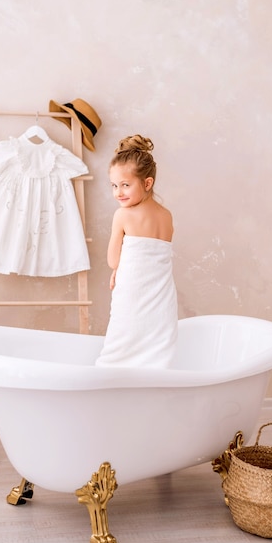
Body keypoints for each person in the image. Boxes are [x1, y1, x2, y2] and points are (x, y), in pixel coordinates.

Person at [95, 134, 178, 368]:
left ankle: (111, 384)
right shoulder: (166, 215)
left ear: (147, 183)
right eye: (114, 185)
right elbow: (154, 257)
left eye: (125, 185)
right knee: (156, 348)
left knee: (123, 343)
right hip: (161, 297)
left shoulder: (123, 215)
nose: (118, 193)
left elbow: (113, 260)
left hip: (133, 292)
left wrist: (117, 269)